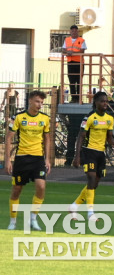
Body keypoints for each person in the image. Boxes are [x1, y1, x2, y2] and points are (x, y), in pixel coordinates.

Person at [6, 90, 52, 231]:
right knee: (16, 190)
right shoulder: (19, 117)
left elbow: (47, 139)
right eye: (37, 101)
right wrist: (7, 160)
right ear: (30, 101)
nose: (40, 105)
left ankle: (33, 219)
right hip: (21, 159)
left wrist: (48, 159)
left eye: (42, 103)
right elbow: (9, 138)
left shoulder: (44, 118)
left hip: (38, 159)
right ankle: (13, 222)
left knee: (41, 186)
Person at [70, 91, 114, 221]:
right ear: (96, 103)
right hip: (89, 151)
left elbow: (109, 137)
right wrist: (77, 156)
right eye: (102, 101)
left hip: (101, 154)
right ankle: (90, 213)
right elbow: (81, 136)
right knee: (91, 179)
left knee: (95, 183)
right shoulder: (89, 118)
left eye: (106, 101)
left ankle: (74, 206)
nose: (105, 103)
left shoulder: (109, 119)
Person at [63, 24, 86, 102]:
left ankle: (79, 98)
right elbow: (63, 49)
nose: (74, 32)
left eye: (76, 31)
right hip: (70, 62)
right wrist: (68, 52)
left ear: (78, 32)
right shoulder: (67, 40)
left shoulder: (81, 40)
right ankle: (73, 98)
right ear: (70, 31)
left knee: (79, 81)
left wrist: (73, 52)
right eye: (72, 31)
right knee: (71, 81)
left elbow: (82, 51)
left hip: (79, 63)